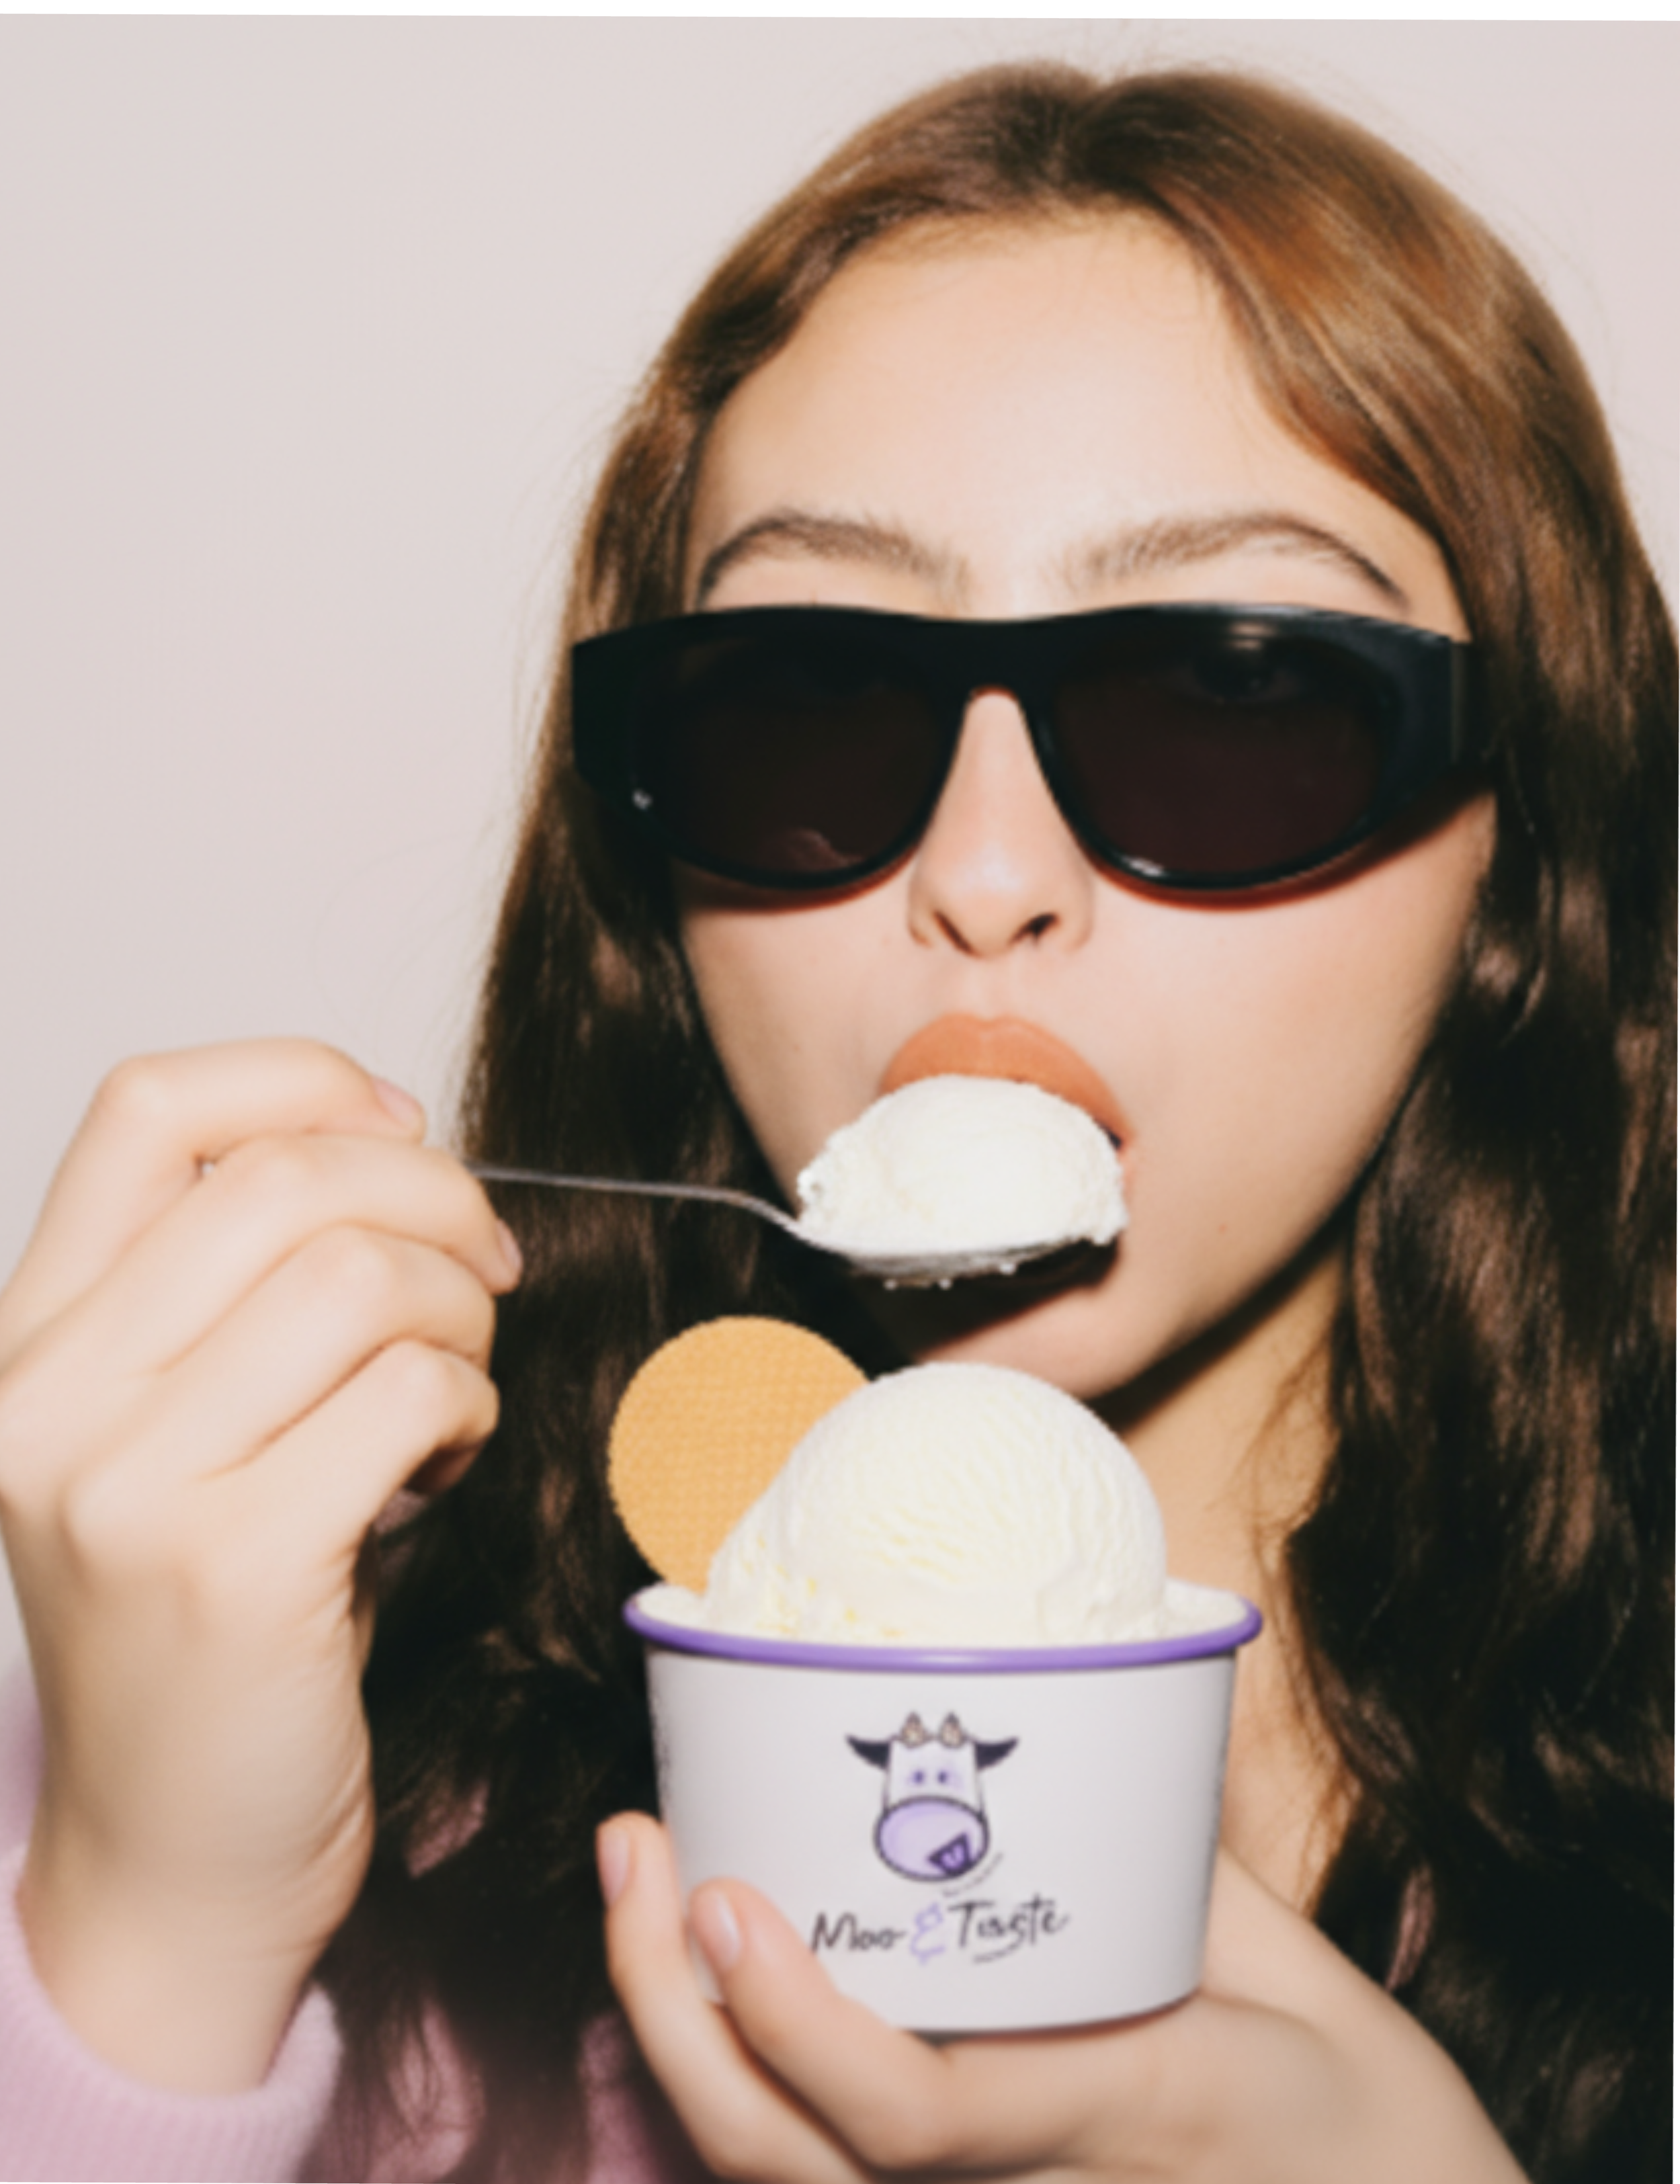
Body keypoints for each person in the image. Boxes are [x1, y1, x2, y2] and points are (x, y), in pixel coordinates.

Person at [0, 60, 1671, 2184]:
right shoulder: (285, 1741)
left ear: (1520, 864)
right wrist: (147, 1949)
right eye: (811, 694)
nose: (985, 869)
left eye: (1232, 692)